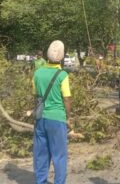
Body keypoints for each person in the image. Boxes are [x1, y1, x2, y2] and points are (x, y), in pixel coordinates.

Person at [32, 40, 71, 184]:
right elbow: (66, 99)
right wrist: (68, 117)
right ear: (61, 57)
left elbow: (36, 96)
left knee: (41, 155)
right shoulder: (62, 75)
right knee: (59, 156)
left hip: (41, 118)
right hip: (57, 119)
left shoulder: (37, 73)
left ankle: (41, 181)